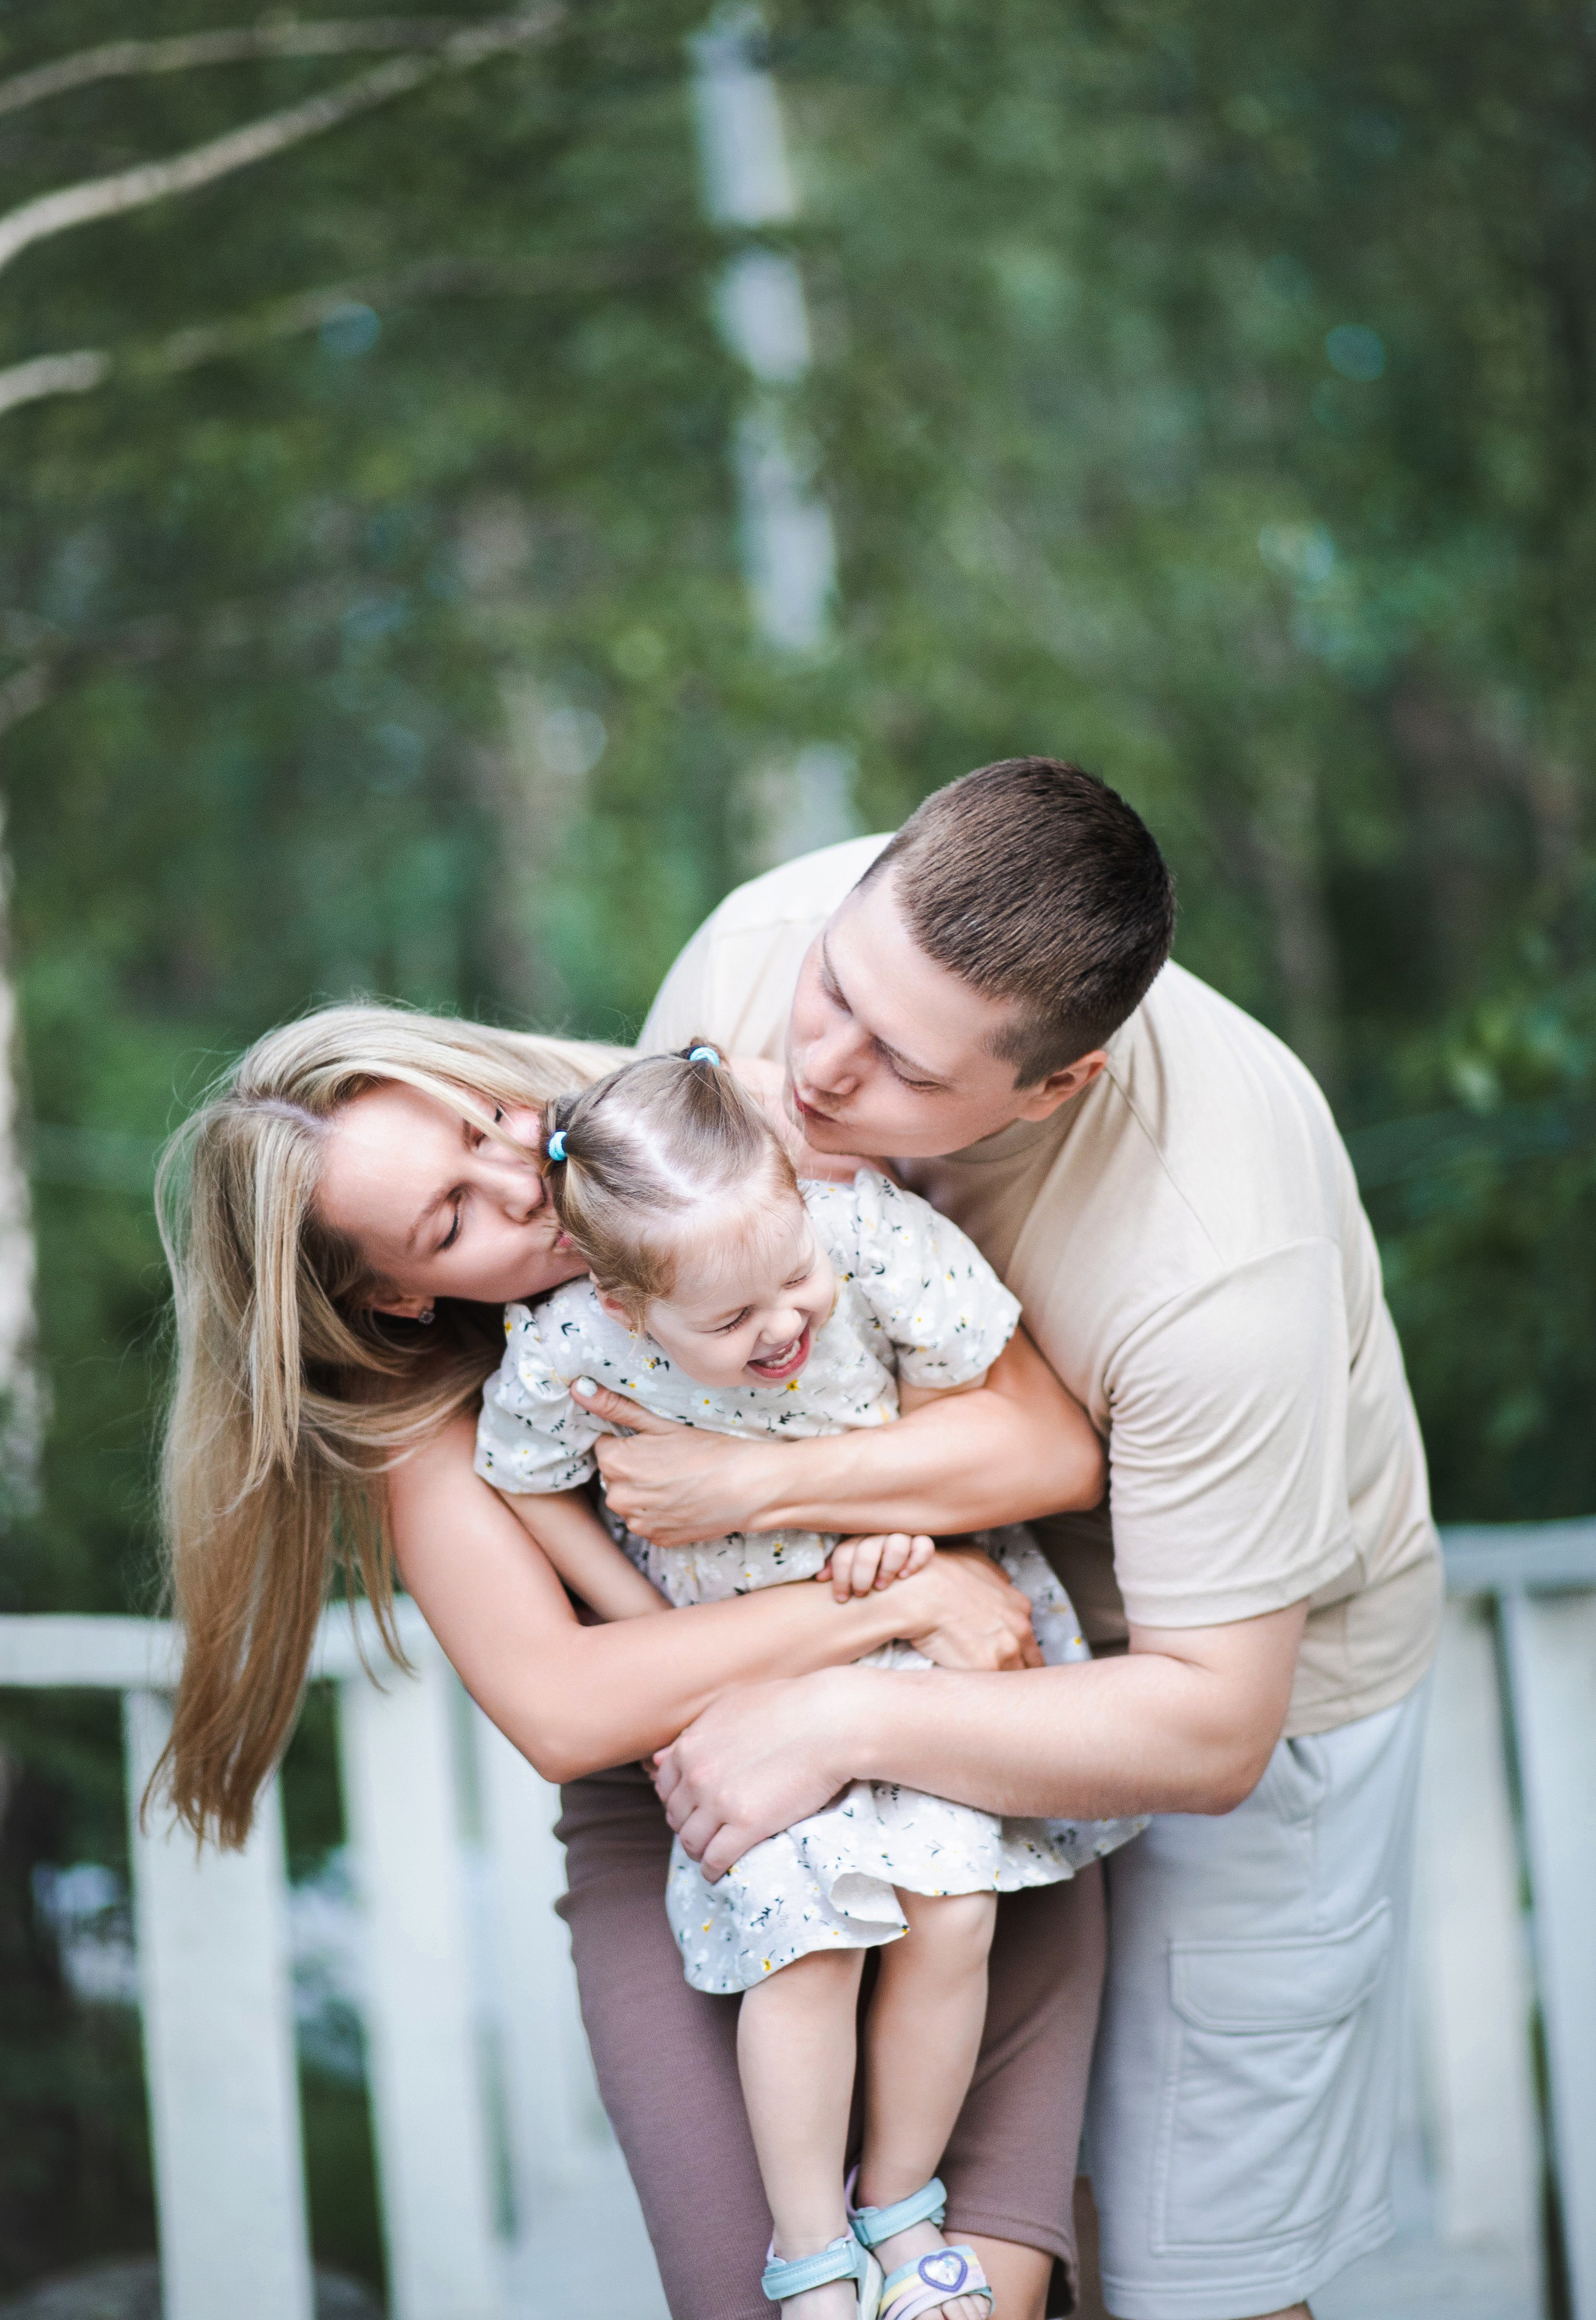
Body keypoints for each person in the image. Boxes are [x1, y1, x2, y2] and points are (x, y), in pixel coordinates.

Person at [607, 755, 1442, 2320]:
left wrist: (837, 1713)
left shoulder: (1216, 1262)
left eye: (903, 1067)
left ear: (1053, 1087)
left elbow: (1211, 1728)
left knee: (1194, 2281)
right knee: (967, 2240)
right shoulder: (761, 945)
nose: (815, 1069)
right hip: (881, 1622)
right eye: (836, 990)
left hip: (1206, 1683)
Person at [153, 1000, 1112, 2320]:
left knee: (985, 2288)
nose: (520, 1182)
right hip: (691, 1809)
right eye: (451, 1220)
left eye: (487, 1124)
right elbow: (566, 1707)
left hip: (952, 1755)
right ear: (396, 1294)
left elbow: (1044, 1446)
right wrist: (906, 1593)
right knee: (752, 2287)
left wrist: (750, 1491)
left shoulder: (707, 1154)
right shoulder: (427, 1414)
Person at [475, 1041, 1137, 2320]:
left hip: (923, 1652)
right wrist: (642, 1617)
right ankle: (812, 2252)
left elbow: (967, 1413)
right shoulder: (570, 1350)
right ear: (625, 1305)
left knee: (951, 1910)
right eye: (730, 1322)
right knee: (806, 1934)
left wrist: (914, 1529)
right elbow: (519, 1478)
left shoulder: (867, 1239)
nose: (783, 1326)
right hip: (750, 1695)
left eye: (794, 1282)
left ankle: (899, 2207)